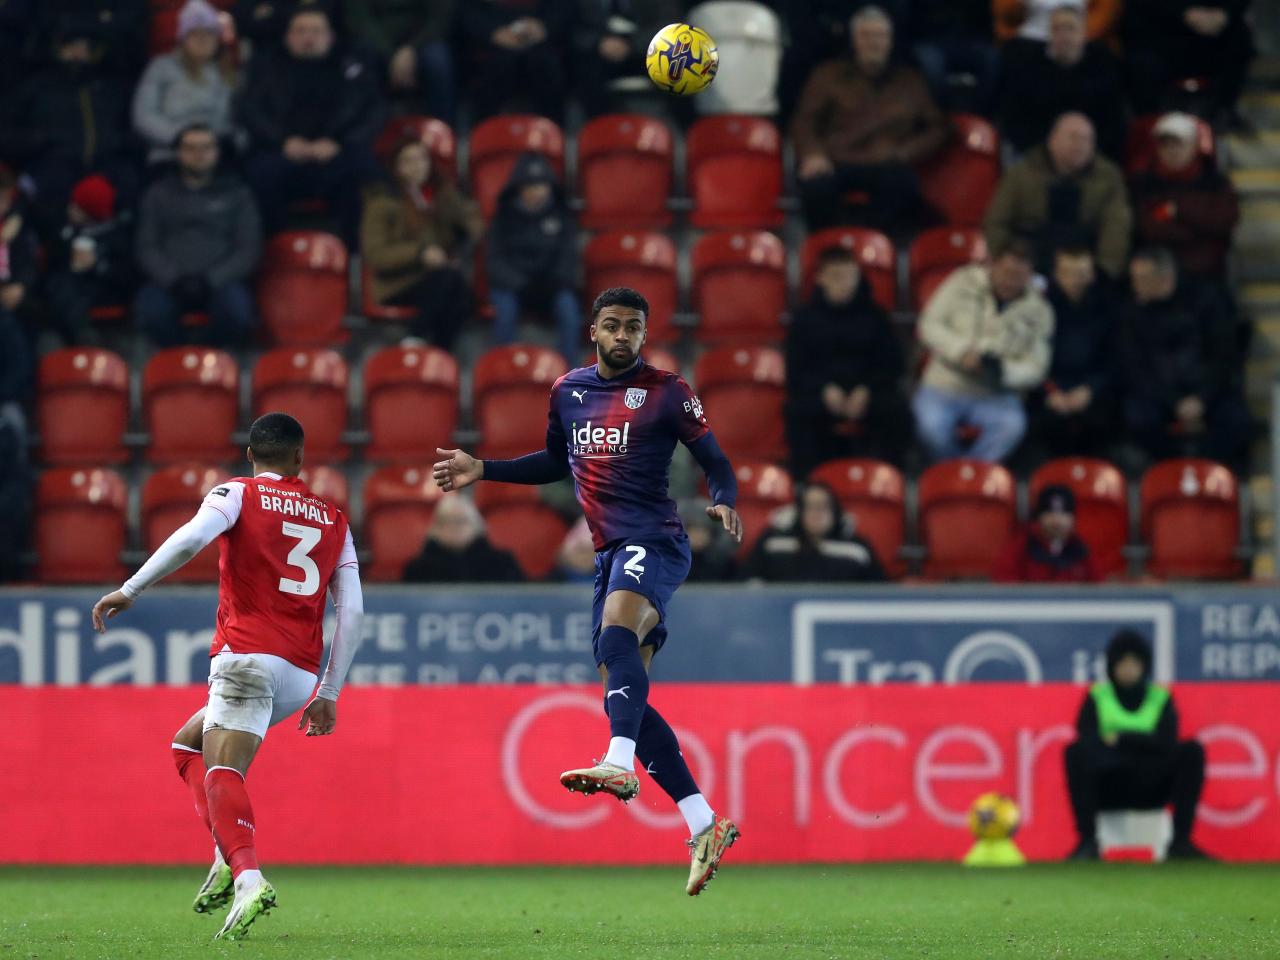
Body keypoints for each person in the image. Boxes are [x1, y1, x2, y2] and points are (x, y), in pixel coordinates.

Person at [433, 286, 744, 896]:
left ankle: (619, 765)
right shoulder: (568, 392)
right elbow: (556, 461)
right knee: (622, 687)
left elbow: (718, 461)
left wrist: (724, 499)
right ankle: (704, 822)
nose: (622, 334)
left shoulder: (668, 392)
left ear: (644, 334)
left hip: (653, 541)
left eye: (633, 326)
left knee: (616, 636)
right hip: (609, 552)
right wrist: (484, 469)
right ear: (594, 332)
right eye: (611, 325)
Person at [89, 412, 365, 940]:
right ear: (301, 459)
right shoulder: (336, 519)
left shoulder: (235, 493)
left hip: (247, 660)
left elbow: (193, 538)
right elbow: (351, 613)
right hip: (300, 677)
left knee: (224, 771)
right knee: (188, 747)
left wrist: (131, 588)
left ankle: (247, 876)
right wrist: (329, 691)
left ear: (249, 455)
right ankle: (225, 853)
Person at [791, 5, 947, 232]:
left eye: (880, 36)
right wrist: (812, 154)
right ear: (854, 40)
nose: (874, 42)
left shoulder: (910, 81)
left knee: (904, 186)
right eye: (866, 35)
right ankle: (828, 245)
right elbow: (804, 121)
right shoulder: (827, 75)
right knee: (815, 187)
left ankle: (875, 243)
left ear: (890, 41)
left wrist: (907, 152)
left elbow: (938, 127)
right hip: (836, 159)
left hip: (886, 161)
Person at [240, 7, 384, 243]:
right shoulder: (267, 66)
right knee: (258, 174)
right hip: (283, 152)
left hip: (336, 152)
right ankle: (277, 251)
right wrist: (283, 141)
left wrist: (340, 143)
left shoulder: (351, 66)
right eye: (301, 31)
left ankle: (356, 255)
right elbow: (251, 110)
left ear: (330, 37)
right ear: (288, 37)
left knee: (365, 173)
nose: (309, 37)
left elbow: (375, 110)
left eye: (316, 31)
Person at [1063, 630, 1210, 860]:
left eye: (1134, 663)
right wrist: (1144, 744)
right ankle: (1088, 842)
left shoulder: (1159, 698)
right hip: (1109, 785)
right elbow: (1087, 741)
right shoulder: (1097, 696)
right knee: (1075, 753)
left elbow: (1167, 743)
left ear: (1144, 666)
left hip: (1152, 785)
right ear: (1112, 667)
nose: (1129, 670)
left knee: (1192, 751)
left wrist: (1121, 740)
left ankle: (1181, 842)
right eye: (1123, 663)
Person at [912, 238, 1054, 463]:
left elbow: (1037, 365)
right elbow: (929, 324)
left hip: (997, 393)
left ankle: (972, 477)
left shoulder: (1039, 310)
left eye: (1018, 276)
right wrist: (961, 352)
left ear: (1029, 275)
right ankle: (951, 473)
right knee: (930, 426)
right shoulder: (961, 282)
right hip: (945, 384)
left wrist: (1001, 370)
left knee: (1011, 428)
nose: (1010, 281)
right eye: (1006, 272)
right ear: (993, 265)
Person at [1117, 247, 1250, 468]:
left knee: (1235, 419)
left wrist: (1201, 399)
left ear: (1165, 279)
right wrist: (1174, 402)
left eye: (1141, 279)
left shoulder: (1207, 301)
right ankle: (1170, 468)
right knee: (1136, 417)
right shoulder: (1132, 314)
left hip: (1207, 393)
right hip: (1160, 397)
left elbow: (1223, 357)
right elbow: (1135, 368)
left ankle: (1208, 470)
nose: (1134, 286)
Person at [0, 15, 135, 231]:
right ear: (58, 47)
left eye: (85, 47)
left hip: (105, 169)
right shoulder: (36, 88)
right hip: (51, 170)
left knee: (126, 186)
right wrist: (39, 140)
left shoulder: (109, 88)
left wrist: (117, 144)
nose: (78, 53)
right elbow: (7, 133)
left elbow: (129, 130)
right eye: (71, 45)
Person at [785, 244, 909, 475]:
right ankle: (806, 483)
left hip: (867, 393)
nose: (844, 284)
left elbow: (892, 364)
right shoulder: (805, 320)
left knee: (896, 410)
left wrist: (866, 390)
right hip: (821, 394)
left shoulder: (876, 316)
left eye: (850, 276)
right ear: (821, 278)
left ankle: (891, 479)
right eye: (836, 277)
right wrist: (825, 389)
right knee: (797, 412)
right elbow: (797, 368)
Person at [135, 124, 262, 347]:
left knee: (237, 313)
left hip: (223, 282)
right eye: (190, 148)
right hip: (168, 283)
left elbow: (248, 249)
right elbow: (146, 246)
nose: (198, 154)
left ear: (217, 152)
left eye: (205, 148)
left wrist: (211, 280)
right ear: (178, 153)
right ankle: (178, 363)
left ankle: (211, 359)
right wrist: (173, 279)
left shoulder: (238, 194)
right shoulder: (157, 194)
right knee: (151, 312)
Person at [360, 138, 480, 350]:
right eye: (408, 161)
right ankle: (414, 339)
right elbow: (375, 254)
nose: (417, 166)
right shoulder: (382, 202)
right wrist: (419, 253)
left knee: (460, 294)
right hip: (397, 282)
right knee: (449, 281)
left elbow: (472, 220)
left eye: (422, 159)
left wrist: (467, 231)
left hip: (435, 278)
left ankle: (438, 353)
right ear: (396, 167)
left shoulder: (442, 193)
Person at [984, 112, 1132, 279]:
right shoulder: (1022, 173)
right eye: (1073, 138)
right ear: (1052, 139)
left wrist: (1103, 271)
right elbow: (997, 221)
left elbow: (1116, 227)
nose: (1080, 145)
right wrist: (1007, 262)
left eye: (1087, 140)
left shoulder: (1108, 177)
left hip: (1084, 264)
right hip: (1030, 261)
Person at [996, 5, 1126, 161]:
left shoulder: (1103, 65)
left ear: (1083, 32)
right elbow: (1015, 120)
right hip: (1038, 156)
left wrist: (1086, 152)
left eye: (1070, 28)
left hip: (1092, 157)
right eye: (1057, 29)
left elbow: (1114, 121)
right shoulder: (1029, 68)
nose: (1064, 35)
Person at [486, 153, 581, 363]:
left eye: (541, 185)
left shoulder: (562, 216)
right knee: (505, 310)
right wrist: (519, 283)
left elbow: (569, 258)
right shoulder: (503, 217)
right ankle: (504, 367)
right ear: (519, 189)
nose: (536, 192)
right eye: (530, 186)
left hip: (551, 286)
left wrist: (554, 282)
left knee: (569, 310)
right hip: (512, 286)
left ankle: (571, 374)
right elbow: (494, 261)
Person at [1130, 112, 1240, 284]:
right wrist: (1199, 227)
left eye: (1178, 144)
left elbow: (1224, 220)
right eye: (1165, 144)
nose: (1171, 150)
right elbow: (1148, 226)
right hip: (1158, 274)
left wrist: (1177, 211)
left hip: (1206, 273)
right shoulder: (1145, 183)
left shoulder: (1214, 181)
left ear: (1194, 146)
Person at [1027, 246, 1116, 457]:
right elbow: (1029, 356)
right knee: (1046, 421)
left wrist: (1090, 389)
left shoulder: (1107, 308)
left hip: (1092, 386)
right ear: (1056, 275)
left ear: (1092, 275)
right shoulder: (1038, 307)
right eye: (1067, 273)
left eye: (1081, 273)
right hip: (1050, 387)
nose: (1074, 280)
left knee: (1105, 417)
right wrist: (1051, 391)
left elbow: (1115, 358)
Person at [132, 0, 236, 166]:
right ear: (183, 39)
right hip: (168, 154)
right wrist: (180, 137)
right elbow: (144, 116)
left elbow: (233, 120)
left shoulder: (227, 73)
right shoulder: (161, 68)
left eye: (209, 33)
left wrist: (213, 141)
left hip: (217, 156)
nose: (202, 40)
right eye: (195, 34)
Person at [1122, 0, 1253, 120]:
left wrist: (1224, 13)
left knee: (1239, 41)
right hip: (1161, 29)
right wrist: (1184, 13)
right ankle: (1148, 118)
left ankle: (1222, 109)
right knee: (1143, 59)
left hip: (1215, 27)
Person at [44, 174, 135, 346]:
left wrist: (97, 265)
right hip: (69, 294)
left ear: (91, 213)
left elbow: (128, 276)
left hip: (104, 292)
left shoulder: (117, 237)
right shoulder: (65, 231)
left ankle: (83, 338)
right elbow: (51, 266)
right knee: (60, 285)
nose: (70, 208)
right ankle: (81, 334)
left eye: (78, 207)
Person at [743, 482, 886, 582]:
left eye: (822, 507)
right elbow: (747, 582)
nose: (816, 514)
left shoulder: (857, 549)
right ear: (799, 512)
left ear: (835, 512)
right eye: (809, 507)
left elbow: (879, 594)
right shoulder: (773, 542)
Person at [342, 0, 457, 123]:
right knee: (360, 62)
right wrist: (391, 55)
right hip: (377, 43)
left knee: (437, 61)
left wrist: (411, 48)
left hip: (421, 40)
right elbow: (360, 19)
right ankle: (368, 133)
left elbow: (440, 16)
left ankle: (443, 130)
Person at [456, 0, 573, 120]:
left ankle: (551, 132)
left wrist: (545, 26)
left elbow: (564, 8)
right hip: (490, 41)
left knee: (545, 65)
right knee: (497, 66)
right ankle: (485, 131)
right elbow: (467, 12)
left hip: (542, 39)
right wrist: (492, 32)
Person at [401, 494, 524, 583]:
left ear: (477, 526)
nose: (454, 527)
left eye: (461, 521)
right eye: (446, 521)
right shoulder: (418, 570)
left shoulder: (503, 565)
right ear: (434, 530)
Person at [992, 484, 1102, 582]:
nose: (1056, 520)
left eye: (1063, 514)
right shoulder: (1022, 546)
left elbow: (1098, 589)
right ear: (1039, 517)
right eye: (1050, 513)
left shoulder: (1081, 549)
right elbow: (1004, 582)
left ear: (1073, 519)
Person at [0, 164, 39, 391]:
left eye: (5, 199)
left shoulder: (18, 232)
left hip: (13, 297)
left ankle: (11, 405)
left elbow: (28, 265)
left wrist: (21, 286)